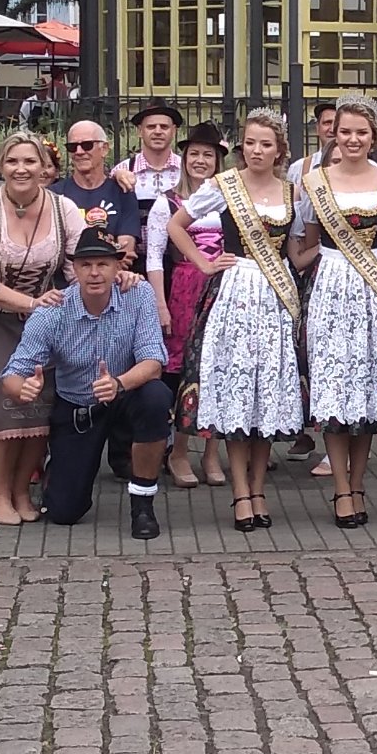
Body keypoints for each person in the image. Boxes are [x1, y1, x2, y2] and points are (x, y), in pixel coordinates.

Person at [170, 108, 307, 529]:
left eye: (266, 144)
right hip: (234, 295)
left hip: (276, 297)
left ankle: (260, 489)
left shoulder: (291, 194)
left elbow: (299, 251)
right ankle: (241, 495)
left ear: (280, 150)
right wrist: (205, 263)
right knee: (237, 394)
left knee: (267, 396)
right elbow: (177, 226)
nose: (256, 150)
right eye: (250, 142)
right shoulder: (222, 187)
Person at [0, 131, 86, 527]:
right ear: (0, 167)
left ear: (45, 167)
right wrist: (30, 303)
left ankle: (24, 490)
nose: (21, 169)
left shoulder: (64, 209)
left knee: (42, 400)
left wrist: (110, 282)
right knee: (4, 397)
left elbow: (79, 266)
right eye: (12, 162)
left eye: (29, 161)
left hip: (42, 318)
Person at [0, 226, 172, 535]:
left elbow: (153, 362)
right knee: (64, 512)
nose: (94, 273)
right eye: (86, 265)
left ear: (118, 266)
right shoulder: (52, 311)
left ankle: (142, 505)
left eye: (103, 264)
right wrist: (22, 389)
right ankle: (59, 469)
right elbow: (12, 373)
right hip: (79, 406)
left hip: (125, 393)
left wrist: (118, 383)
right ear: (74, 269)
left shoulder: (138, 293)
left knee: (156, 397)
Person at [290, 96, 377, 529]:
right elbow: (304, 239)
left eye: (361, 132)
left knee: (369, 395)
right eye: (345, 131)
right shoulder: (315, 182)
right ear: (332, 134)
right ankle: (341, 487)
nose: (353, 139)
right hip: (331, 291)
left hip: (373, 291)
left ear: (373, 137)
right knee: (335, 390)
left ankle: (359, 484)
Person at [151, 121, 229, 490]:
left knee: (219, 365)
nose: (200, 161)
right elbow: (153, 258)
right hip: (184, 287)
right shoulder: (167, 202)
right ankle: (179, 450)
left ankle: (212, 452)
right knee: (186, 368)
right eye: (194, 154)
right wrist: (160, 306)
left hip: (224, 286)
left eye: (208, 155)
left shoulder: (230, 197)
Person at [122, 102, 188, 256]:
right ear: (140, 131)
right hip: (135, 260)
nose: (158, 131)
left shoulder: (186, 170)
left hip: (179, 259)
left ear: (174, 131)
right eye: (151, 127)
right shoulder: (123, 170)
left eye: (164, 127)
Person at [53, 119, 133, 241]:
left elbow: (126, 249)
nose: (79, 152)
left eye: (87, 145)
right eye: (72, 147)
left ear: (104, 149)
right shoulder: (54, 195)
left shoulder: (123, 192)